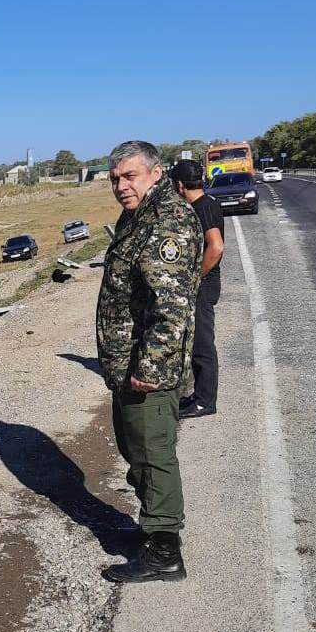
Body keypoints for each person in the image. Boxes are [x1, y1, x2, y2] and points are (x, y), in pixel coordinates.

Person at [96, 141, 203, 583]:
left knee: (154, 456)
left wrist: (150, 370)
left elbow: (171, 308)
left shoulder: (167, 221)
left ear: (156, 173)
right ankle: (153, 529)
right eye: (115, 179)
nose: (121, 186)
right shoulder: (137, 215)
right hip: (129, 365)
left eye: (130, 176)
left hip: (148, 372)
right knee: (135, 450)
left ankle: (164, 552)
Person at [170, 159, 224, 419]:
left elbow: (216, 246)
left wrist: (194, 278)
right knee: (194, 343)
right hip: (200, 285)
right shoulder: (201, 205)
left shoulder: (203, 208)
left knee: (202, 345)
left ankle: (205, 402)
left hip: (203, 286)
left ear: (180, 185)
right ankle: (199, 394)